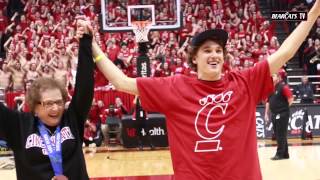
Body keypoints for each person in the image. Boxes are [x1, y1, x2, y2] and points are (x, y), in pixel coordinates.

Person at [77, 2, 320, 179]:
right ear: (194, 58)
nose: (214, 54)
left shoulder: (244, 81)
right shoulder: (175, 86)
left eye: (218, 50)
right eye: (207, 50)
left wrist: (314, 12)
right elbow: (121, 82)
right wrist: (94, 46)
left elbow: (286, 52)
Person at [0, 25, 94, 179]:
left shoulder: (71, 119)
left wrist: (85, 43)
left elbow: (85, 86)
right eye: (48, 103)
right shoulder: (19, 125)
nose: (56, 108)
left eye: (59, 102)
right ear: (35, 106)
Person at [265, 73, 293, 160]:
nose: (271, 77)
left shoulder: (283, 87)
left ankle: (279, 154)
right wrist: (266, 113)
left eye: (273, 76)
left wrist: (283, 109)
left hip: (282, 114)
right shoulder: (271, 88)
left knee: (280, 134)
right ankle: (285, 153)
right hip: (274, 114)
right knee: (279, 134)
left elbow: (291, 99)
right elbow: (268, 102)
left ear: (278, 77)